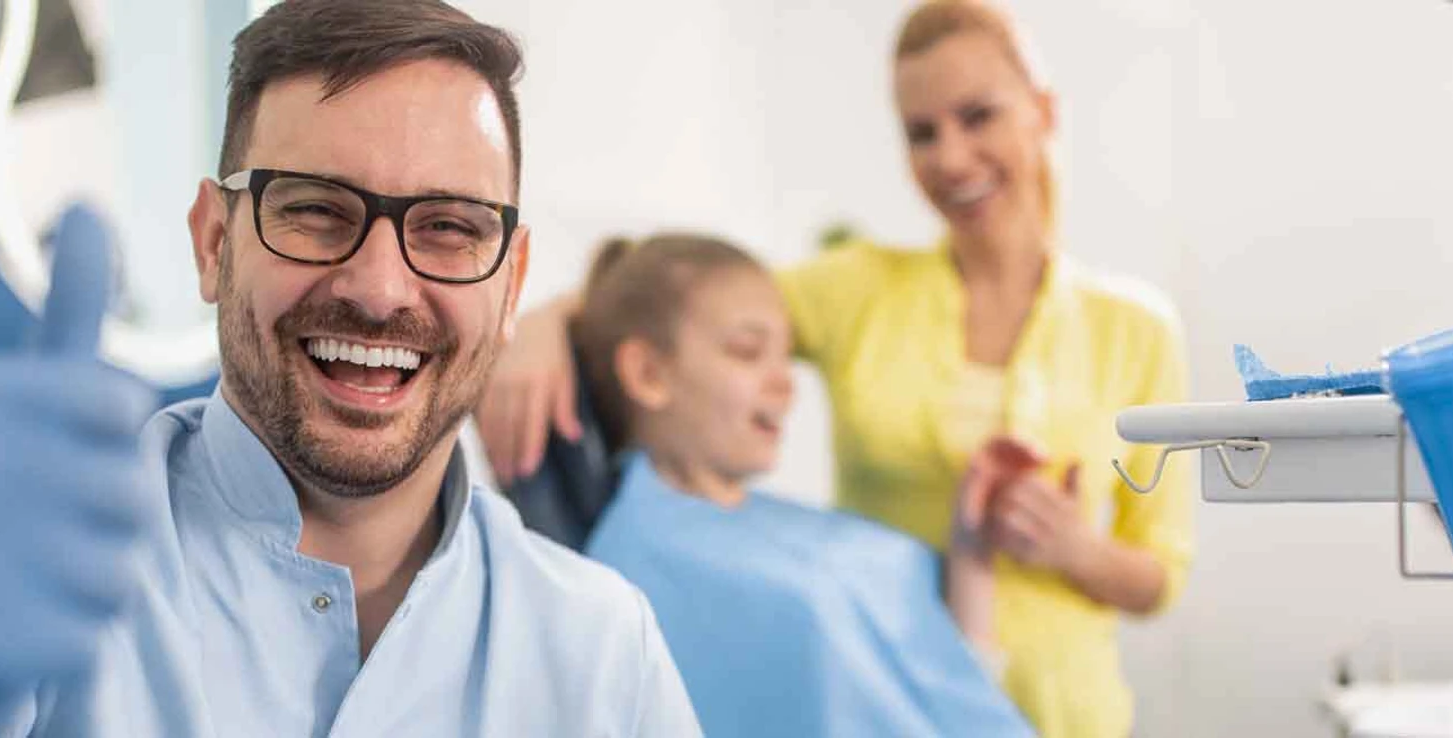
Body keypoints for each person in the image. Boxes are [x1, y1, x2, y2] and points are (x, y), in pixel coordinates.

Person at [0, 1, 699, 735]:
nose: (378, 287)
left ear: (511, 281)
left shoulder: (600, 652)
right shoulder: (54, 553)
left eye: (448, 227)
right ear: (213, 242)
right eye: (314, 209)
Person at [477, 2, 1193, 735]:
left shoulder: (1137, 329)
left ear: (1043, 111)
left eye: (978, 116)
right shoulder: (855, 288)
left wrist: (1075, 551)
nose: (950, 157)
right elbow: (685, 301)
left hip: (1068, 714)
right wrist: (539, 320)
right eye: (922, 133)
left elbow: (1162, 574)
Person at [570, 233, 1037, 736]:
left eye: (786, 356)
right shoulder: (636, 569)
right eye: (748, 351)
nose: (785, 382)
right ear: (647, 374)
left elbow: (950, 686)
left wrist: (972, 550)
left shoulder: (780, 529)